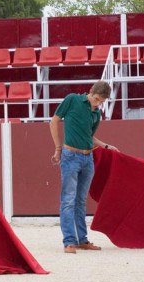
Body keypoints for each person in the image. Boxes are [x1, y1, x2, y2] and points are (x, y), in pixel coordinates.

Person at [49, 80, 119, 254]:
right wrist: (58, 148)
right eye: (96, 99)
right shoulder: (72, 99)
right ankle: (69, 241)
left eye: (101, 101)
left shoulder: (96, 114)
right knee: (68, 200)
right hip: (70, 156)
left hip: (88, 159)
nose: (98, 103)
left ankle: (82, 240)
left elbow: (90, 137)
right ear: (90, 92)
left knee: (80, 201)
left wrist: (107, 146)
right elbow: (54, 121)